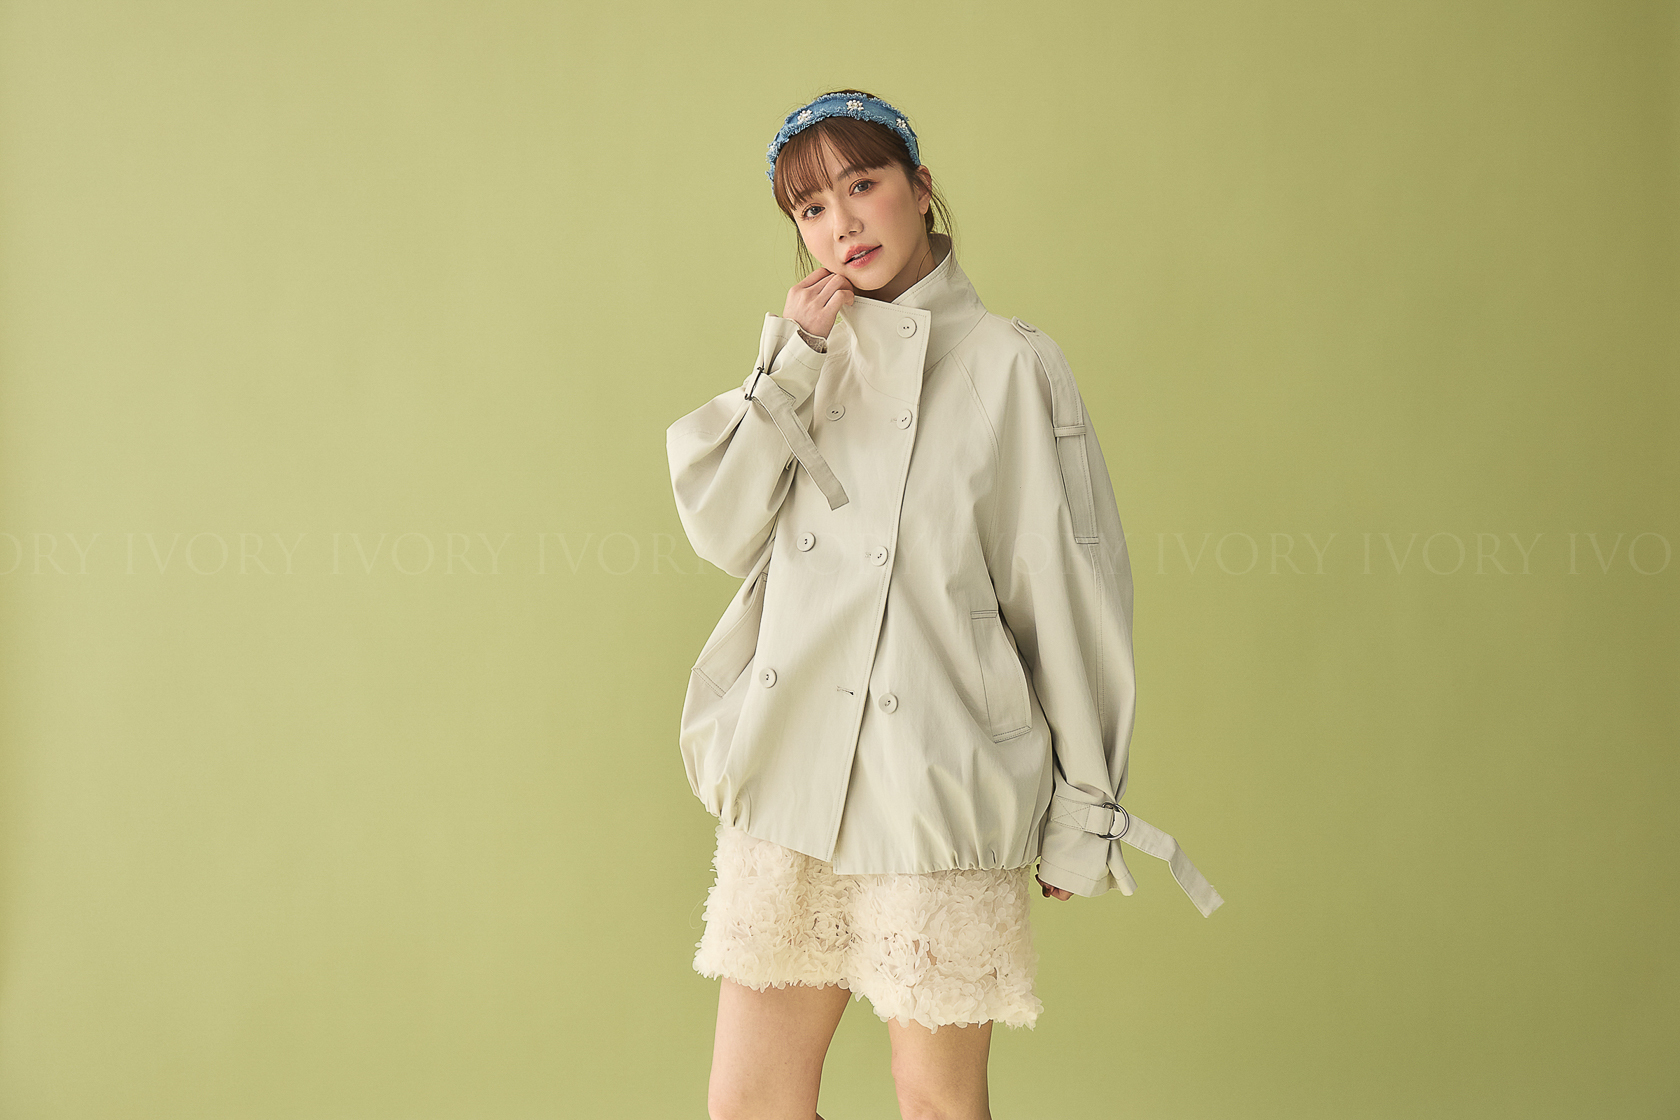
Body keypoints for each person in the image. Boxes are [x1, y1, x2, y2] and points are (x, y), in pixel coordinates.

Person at [666, 89, 1224, 1120]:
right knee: (748, 1104)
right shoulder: (805, 363)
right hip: (795, 786)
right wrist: (786, 366)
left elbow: (1069, 592)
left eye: (862, 184)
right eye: (810, 208)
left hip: (939, 785)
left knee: (934, 1104)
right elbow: (721, 530)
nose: (841, 223)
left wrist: (1085, 808)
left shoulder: (1012, 365)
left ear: (920, 188)